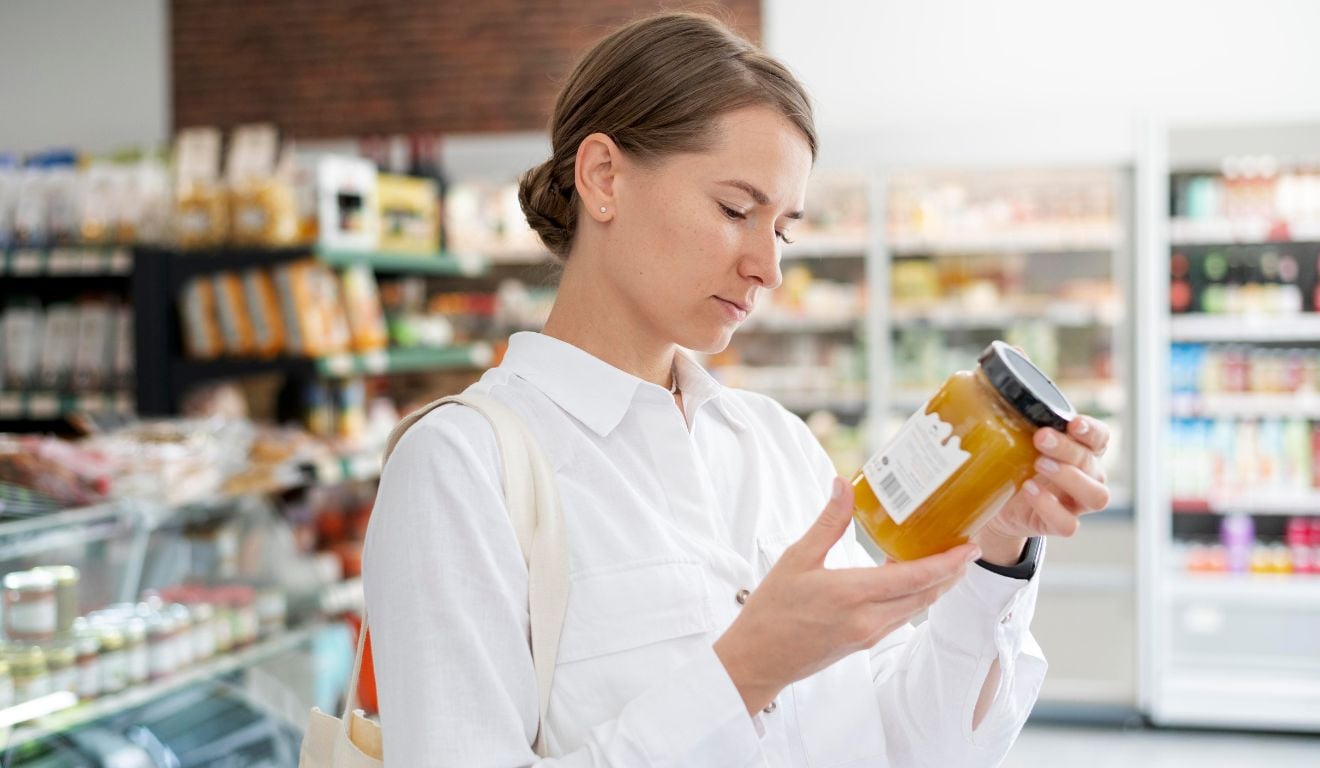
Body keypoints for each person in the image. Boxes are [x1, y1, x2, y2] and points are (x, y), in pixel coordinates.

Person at [362, 11, 1111, 766]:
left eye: (782, 229)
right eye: (735, 210)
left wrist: (995, 548)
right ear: (603, 177)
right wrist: (745, 673)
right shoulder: (460, 468)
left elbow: (918, 745)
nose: (768, 266)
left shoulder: (775, 443)